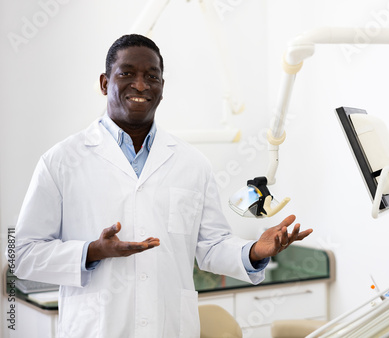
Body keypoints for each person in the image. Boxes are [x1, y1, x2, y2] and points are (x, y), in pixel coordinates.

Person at [12, 34, 313, 337]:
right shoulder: (62, 161)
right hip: (97, 328)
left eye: (151, 76)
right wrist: (91, 251)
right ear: (105, 83)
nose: (141, 85)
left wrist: (254, 252)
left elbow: (210, 246)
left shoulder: (192, 163)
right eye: (127, 73)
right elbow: (23, 256)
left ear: (162, 88)